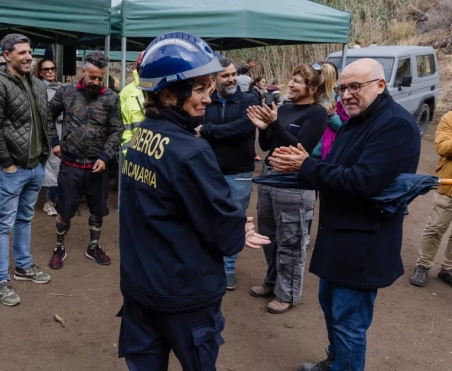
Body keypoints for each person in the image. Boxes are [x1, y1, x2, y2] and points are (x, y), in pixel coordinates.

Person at [117, 31, 269, 370]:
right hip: (184, 295)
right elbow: (223, 232)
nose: (208, 98)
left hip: (140, 288)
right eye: (199, 89)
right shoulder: (191, 151)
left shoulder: (141, 136)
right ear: (169, 94)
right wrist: (235, 228)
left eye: (209, 88)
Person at [268, 58, 420, 371]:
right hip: (339, 237)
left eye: (355, 87)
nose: (346, 95)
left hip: (363, 243)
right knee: (332, 309)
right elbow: (335, 165)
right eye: (342, 89)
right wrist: (296, 167)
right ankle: (335, 361)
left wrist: (305, 166)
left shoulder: (394, 124)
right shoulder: (358, 118)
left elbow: (363, 181)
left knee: (350, 322)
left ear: (380, 85)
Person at [0, 34, 58, 306]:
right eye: (22, 52)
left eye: (30, 52)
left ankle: (23, 267)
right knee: (4, 223)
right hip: (12, 168)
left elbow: (46, 121)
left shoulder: (37, 84)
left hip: (36, 165)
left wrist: (45, 154)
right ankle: (0, 280)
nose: (28, 57)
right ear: (7, 55)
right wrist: (8, 163)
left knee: (25, 217)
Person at [247, 63, 328, 314]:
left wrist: (275, 124)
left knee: (291, 238)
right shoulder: (283, 108)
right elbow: (268, 145)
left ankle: (288, 293)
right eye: (291, 79)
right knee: (268, 234)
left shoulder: (318, 113)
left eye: (297, 81)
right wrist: (264, 128)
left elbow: (299, 148)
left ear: (312, 88)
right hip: (271, 175)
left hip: (294, 179)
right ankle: (271, 282)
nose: (290, 84)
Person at [47, 51, 123, 269]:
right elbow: (46, 116)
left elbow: (117, 130)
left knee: (98, 210)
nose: (96, 82)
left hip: (97, 166)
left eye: (100, 77)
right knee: (64, 209)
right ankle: (59, 248)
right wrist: (54, 141)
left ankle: (93, 246)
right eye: (92, 77)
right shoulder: (66, 91)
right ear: (84, 72)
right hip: (70, 164)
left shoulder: (111, 97)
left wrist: (105, 156)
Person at [195, 57, 260, 290]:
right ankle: (209, 264)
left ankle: (228, 268)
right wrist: (203, 130)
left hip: (239, 173)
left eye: (233, 74)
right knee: (206, 217)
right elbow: (194, 126)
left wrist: (208, 130)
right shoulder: (207, 101)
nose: (232, 78)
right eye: (226, 75)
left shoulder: (249, 100)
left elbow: (244, 127)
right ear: (214, 79)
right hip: (208, 172)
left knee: (234, 220)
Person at [410, 111, 452, 287]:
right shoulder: (449, 118)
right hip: (449, 185)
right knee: (435, 227)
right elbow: (442, 147)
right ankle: (423, 266)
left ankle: (447, 268)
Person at [36, 58, 62, 217]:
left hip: (64, 130)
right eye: (46, 69)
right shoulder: (38, 89)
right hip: (48, 133)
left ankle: (56, 200)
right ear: (41, 72)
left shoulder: (62, 87)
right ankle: (49, 201)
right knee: (51, 168)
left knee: (61, 168)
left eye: (52, 68)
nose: (50, 72)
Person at [311, 62, 343, 161]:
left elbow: (344, 129)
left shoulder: (339, 97)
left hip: (324, 150)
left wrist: (331, 116)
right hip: (307, 147)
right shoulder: (309, 95)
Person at [119, 50, 146, 156]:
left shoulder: (164, 90)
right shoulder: (127, 92)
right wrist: (129, 154)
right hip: (135, 155)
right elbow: (124, 128)